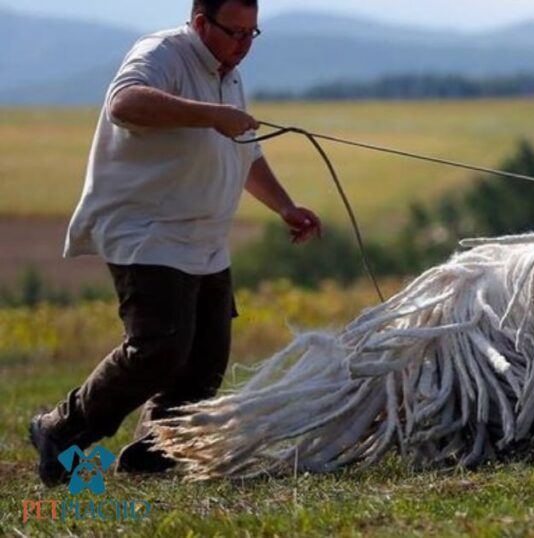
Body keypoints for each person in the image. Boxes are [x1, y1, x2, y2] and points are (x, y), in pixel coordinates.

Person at [28, 0, 322, 486]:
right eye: (235, 32)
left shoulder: (227, 72)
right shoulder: (162, 53)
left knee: (206, 359)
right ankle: (60, 429)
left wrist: (286, 207)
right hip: (147, 230)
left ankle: (154, 452)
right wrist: (211, 115)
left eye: (253, 34)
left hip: (204, 236)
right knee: (159, 347)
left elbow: (245, 156)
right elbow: (124, 103)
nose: (244, 45)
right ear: (201, 22)